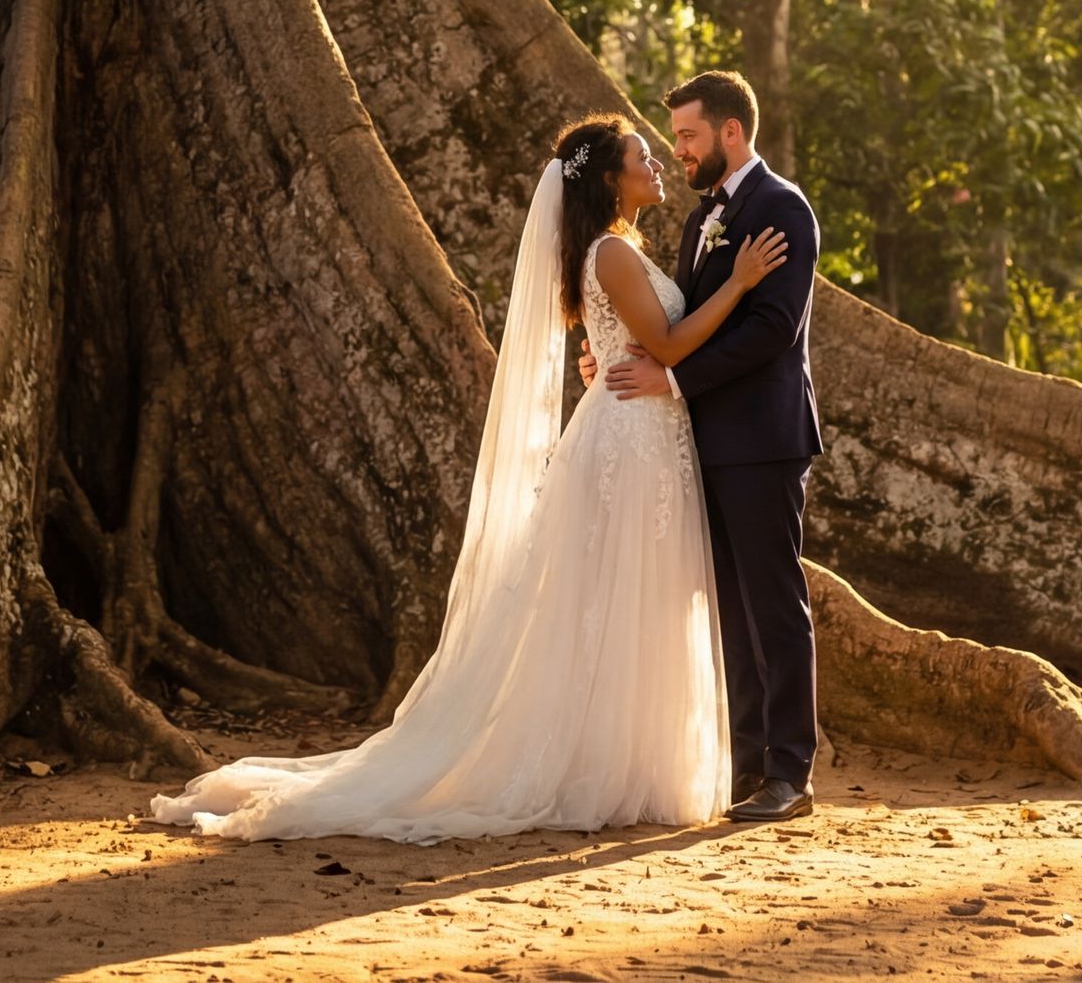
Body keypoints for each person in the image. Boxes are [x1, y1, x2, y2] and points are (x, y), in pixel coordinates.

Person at [145, 115, 788, 842]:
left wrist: (614, 357)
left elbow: (636, 341)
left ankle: (635, 760)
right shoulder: (610, 251)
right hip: (631, 443)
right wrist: (738, 282)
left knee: (632, 597)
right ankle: (608, 766)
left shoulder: (620, 247)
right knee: (620, 595)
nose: (658, 162)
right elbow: (668, 342)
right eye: (644, 155)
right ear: (612, 177)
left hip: (644, 433)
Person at [594, 69, 824, 823]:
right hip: (702, 442)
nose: (679, 150)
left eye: (689, 135)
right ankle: (747, 767)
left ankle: (791, 772)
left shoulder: (782, 207)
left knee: (774, 604)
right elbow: (682, 320)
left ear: (732, 131)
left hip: (762, 438)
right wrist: (616, 353)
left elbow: (771, 329)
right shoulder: (702, 221)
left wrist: (675, 380)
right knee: (729, 609)